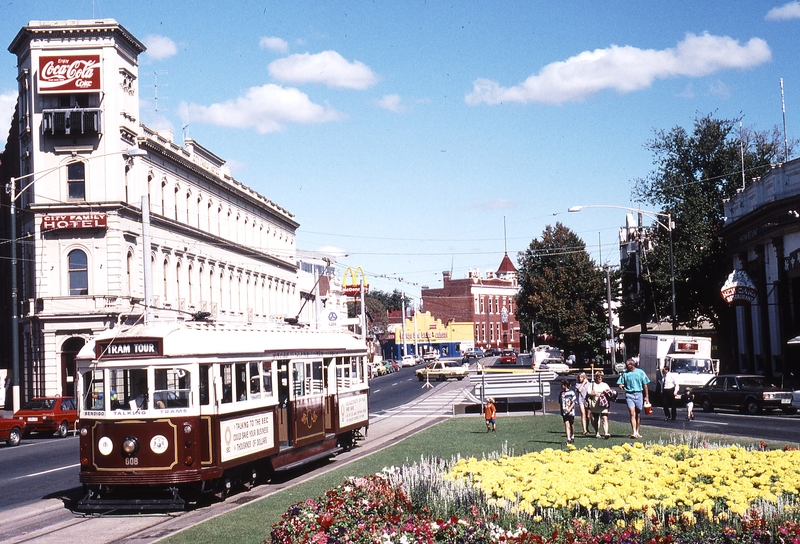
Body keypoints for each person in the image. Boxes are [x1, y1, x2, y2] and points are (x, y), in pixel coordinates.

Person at [617, 359, 650, 438]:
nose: (626, 366)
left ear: (632, 365)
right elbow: (620, 382)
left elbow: (645, 385)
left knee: (638, 414)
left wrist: (647, 396)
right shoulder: (625, 374)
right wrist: (621, 385)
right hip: (629, 394)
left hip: (638, 394)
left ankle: (637, 431)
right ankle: (634, 432)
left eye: (627, 365)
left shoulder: (640, 372)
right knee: (632, 413)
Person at [586, 371, 611, 439]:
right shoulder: (592, 385)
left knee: (604, 418)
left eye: (601, 377)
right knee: (596, 418)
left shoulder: (605, 385)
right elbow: (588, 393)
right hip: (595, 403)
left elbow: (609, 393)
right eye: (598, 377)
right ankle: (597, 432)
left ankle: (606, 433)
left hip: (603, 403)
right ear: (596, 377)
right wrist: (595, 394)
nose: (600, 378)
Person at [558, 379, 577, 443]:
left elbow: (574, 402)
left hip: (571, 412)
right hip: (564, 412)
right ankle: (568, 438)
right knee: (566, 424)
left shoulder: (572, 393)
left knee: (571, 424)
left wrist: (569, 409)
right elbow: (560, 402)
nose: (561, 386)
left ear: (566, 385)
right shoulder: (561, 393)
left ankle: (572, 435)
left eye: (562, 385)